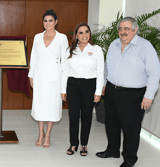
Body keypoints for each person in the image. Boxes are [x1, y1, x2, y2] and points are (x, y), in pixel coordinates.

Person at [96, 17, 160, 167]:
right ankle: (112, 150)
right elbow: (107, 66)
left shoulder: (145, 47)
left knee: (130, 128)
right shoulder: (114, 44)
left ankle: (130, 158)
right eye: (120, 29)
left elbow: (154, 73)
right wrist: (105, 84)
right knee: (111, 123)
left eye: (127, 29)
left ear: (135, 30)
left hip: (133, 94)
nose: (123, 32)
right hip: (111, 90)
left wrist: (149, 95)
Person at [61, 23, 104, 156]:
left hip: (89, 85)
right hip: (72, 84)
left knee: (86, 116)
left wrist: (98, 92)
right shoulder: (69, 50)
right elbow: (65, 71)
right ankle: (73, 143)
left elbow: (100, 72)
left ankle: (84, 144)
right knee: (73, 116)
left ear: (90, 33)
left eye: (87, 32)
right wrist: (63, 90)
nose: (84, 35)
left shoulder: (96, 49)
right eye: (81, 32)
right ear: (76, 35)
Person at [28, 9, 68, 148]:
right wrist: (31, 75)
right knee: (40, 104)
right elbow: (33, 57)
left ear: (56, 22)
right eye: (45, 21)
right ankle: (40, 133)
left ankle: (48, 134)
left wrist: (64, 85)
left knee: (51, 105)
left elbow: (65, 61)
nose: (48, 23)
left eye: (50, 20)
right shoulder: (38, 36)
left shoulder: (62, 38)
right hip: (39, 75)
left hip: (54, 76)